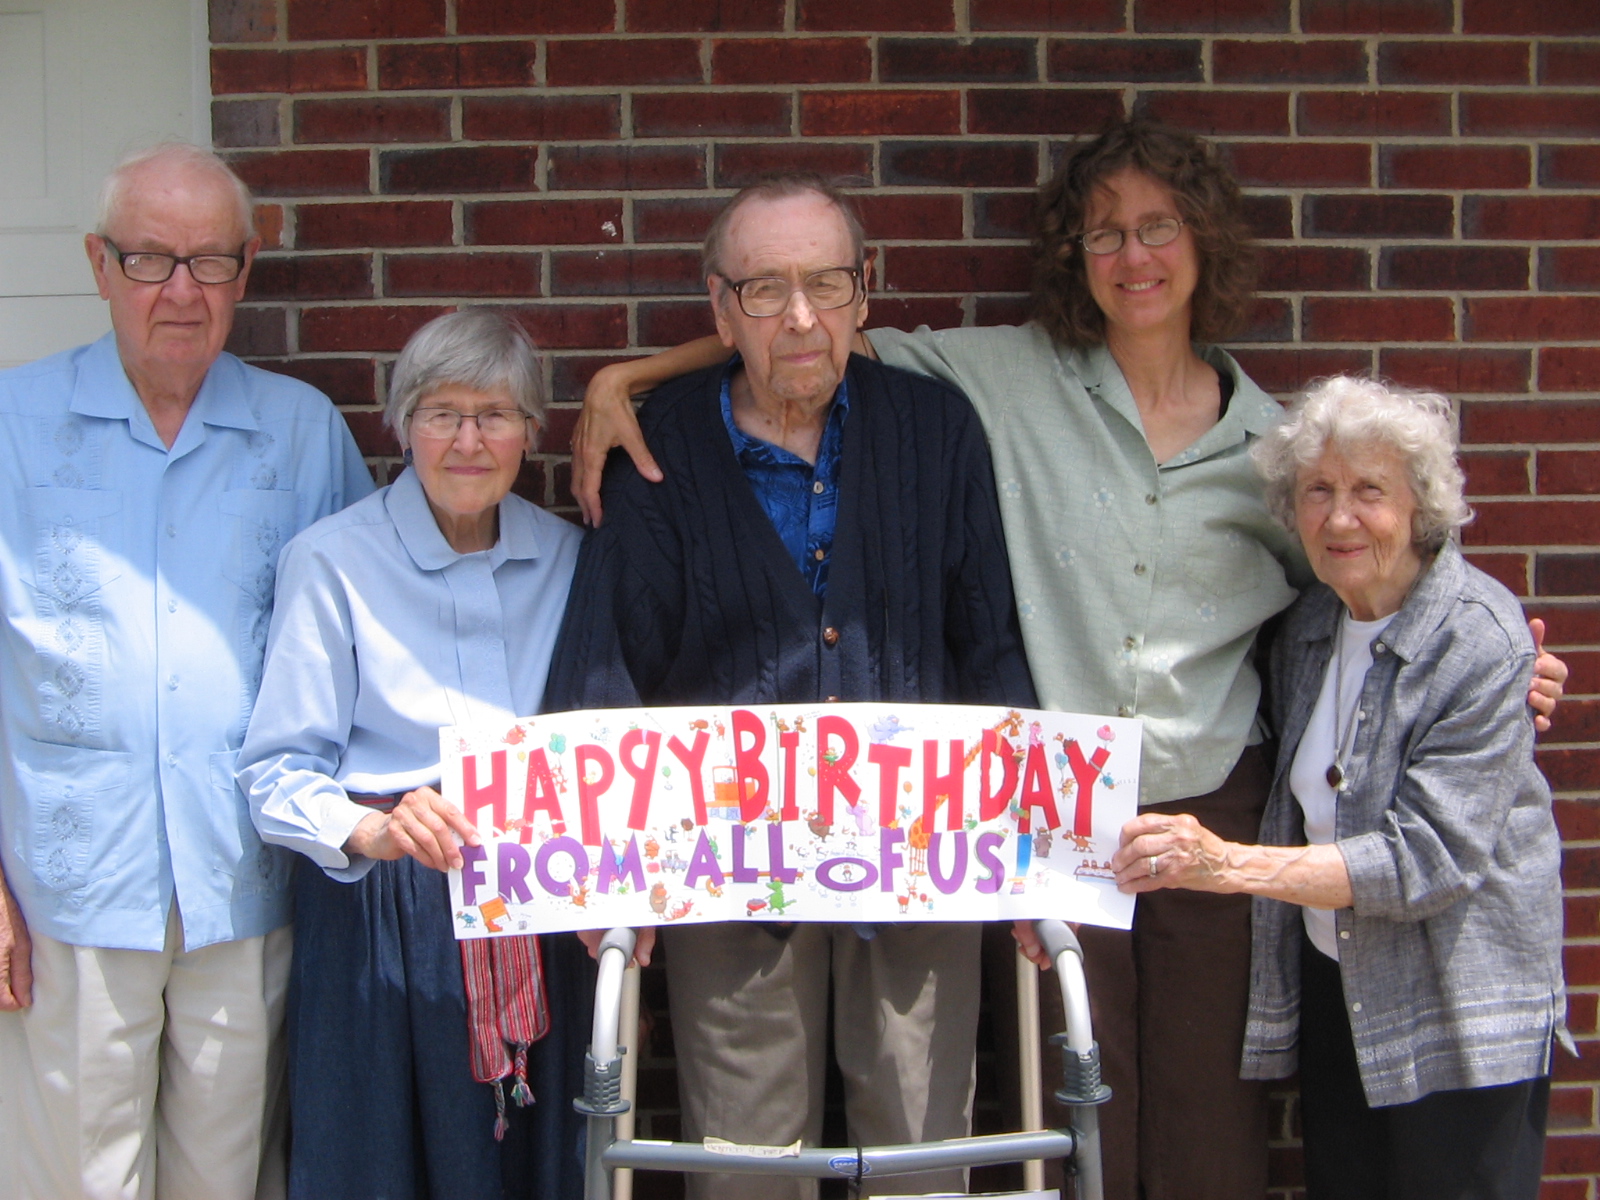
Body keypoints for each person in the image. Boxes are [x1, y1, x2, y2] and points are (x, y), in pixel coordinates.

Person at [566, 120, 1565, 1200]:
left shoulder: (1259, 445)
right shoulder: (990, 384)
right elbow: (799, 353)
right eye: (1105, 234)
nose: (1134, 257)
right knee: (893, 1137)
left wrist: (1483, 654)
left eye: (1159, 228)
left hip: (1124, 821)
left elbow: (1348, 584)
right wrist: (626, 379)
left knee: (1144, 1124)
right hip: (917, 838)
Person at [542, 173, 1036, 1200]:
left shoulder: (936, 430)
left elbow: (988, 641)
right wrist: (595, 866)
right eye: (765, 289)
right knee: (746, 1163)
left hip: (921, 857)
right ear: (721, 310)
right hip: (727, 870)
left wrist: (1039, 850)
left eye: (826, 283)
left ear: (865, 292)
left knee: (921, 1152)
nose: (800, 316)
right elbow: (605, 665)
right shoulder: (658, 447)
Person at [0, 143, 372, 1200]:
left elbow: (367, 641)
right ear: (98, 263)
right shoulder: (10, 425)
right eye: (149, 259)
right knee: (74, 1184)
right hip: (65, 895)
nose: (180, 290)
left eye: (210, 261)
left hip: (245, 884)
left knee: (229, 1179)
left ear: (245, 271)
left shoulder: (302, 433)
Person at [1113, 375, 1566, 1200]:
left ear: (1422, 508)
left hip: (1458, 1007)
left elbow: (1422, 862)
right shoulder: (1312, 626)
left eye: (1369, 491)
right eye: (1318, 491)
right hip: (1344, 990)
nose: (1340, 517)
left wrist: (1225, 865)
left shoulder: (1477, 639)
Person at [236, 309, 587, 1200]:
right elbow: (274, 772)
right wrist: (373, 829)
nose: (468, 441)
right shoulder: (331, 561)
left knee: (535, 1166)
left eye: (495, 414)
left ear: (531, 432)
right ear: (401, 425)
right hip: (388, 914)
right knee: (381, 1168)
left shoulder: (571, 560)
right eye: (441, 414)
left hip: (541, 908)